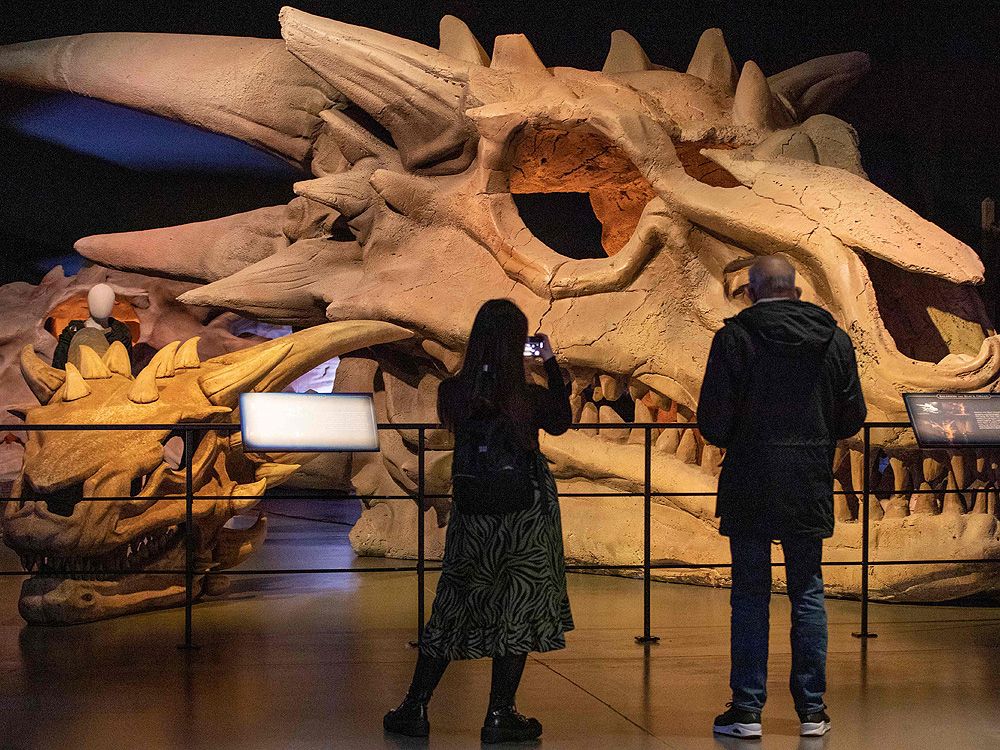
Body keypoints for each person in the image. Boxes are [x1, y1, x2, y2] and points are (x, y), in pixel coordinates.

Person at [383, 299, 574, 744]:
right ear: (517, 344)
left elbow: (462, 420)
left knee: (454, 603)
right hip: (525, 513)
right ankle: (500, 714)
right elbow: (561, 422)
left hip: (473, 513)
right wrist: (548, 361)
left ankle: (415, 705)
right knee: (519, 604)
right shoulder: (527, 397)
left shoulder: (453, 393)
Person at [698, 256, 866, 739]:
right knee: (807, 592)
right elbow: (851, 417)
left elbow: (713, 423)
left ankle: (747, 710)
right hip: (807, 481)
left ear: (751, 293)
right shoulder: (834, 340)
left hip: (750, 481)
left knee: (750, 594)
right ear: (795, 291)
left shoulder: (734, 338)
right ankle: (812, 711)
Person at [52, 283, 133, 369]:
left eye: (107, 301)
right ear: (88, 302)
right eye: (96, 300)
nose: (102, 304)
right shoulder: (70, 334)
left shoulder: (122, 335)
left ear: (113, 304)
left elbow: (126, 370)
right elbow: (58, 368)